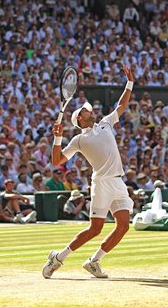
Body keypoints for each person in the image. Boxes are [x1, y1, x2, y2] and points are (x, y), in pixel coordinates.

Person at [43, 65, 135, 279]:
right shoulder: (78, 140)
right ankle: (58, 257)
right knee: (95, 229)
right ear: (79, 120)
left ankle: (93, 261)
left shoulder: (105, 123)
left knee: (123, 226)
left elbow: (121, 105)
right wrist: (57, 138)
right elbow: (57, 161)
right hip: (101, 183)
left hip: (118, 183)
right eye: (85, 111)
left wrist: (130, 82)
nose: (89, 110)